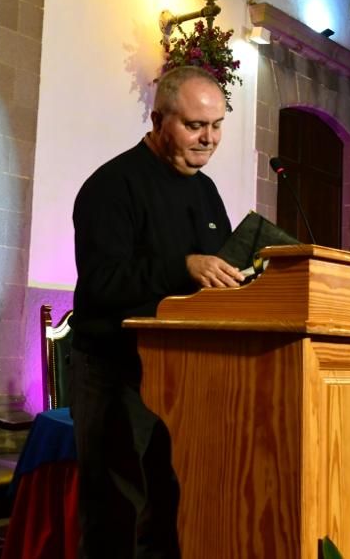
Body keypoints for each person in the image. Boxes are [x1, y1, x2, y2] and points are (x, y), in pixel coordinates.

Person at [69, 65, 245, 558]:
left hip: (183, 374)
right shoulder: (112, 186)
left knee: (170, 507)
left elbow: (216, 274)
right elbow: (103, 284)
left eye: (217, 126)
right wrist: (183, 267)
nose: (208, 139)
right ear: (158, 120)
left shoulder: (205, 191)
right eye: (194, 125)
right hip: (116, 369)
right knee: (117, 513)